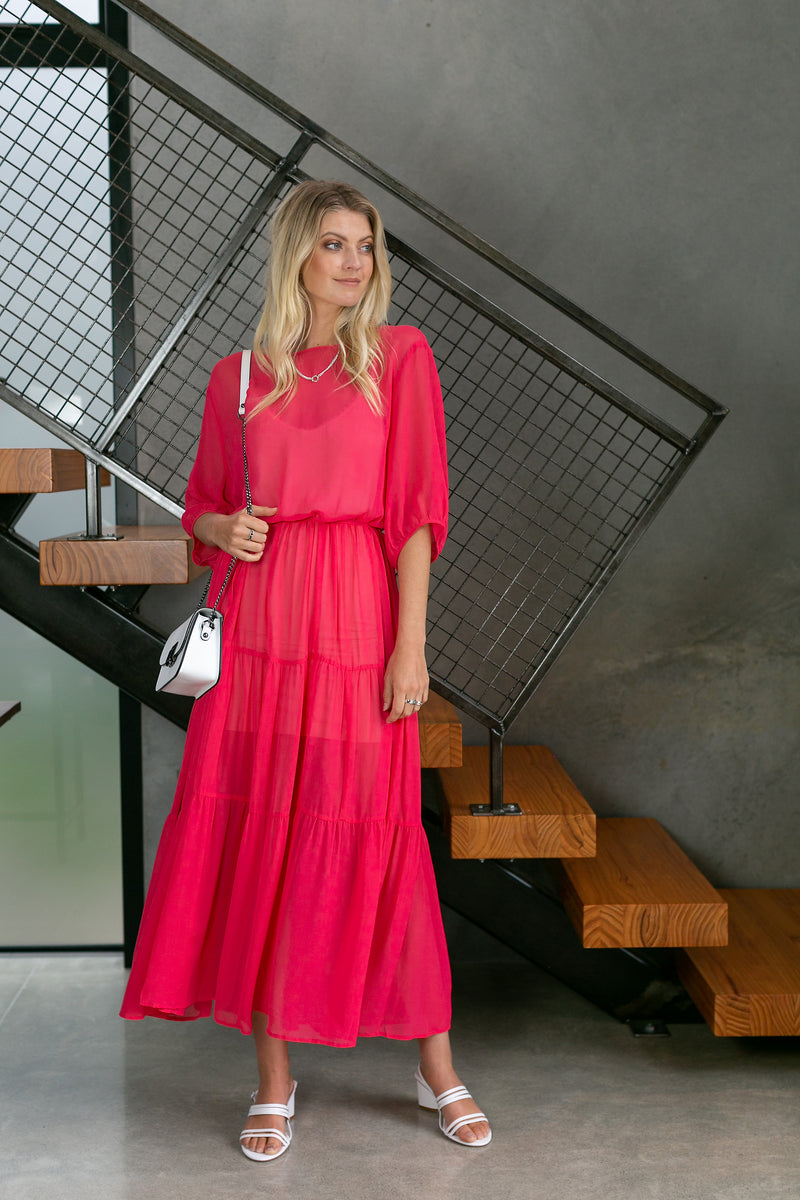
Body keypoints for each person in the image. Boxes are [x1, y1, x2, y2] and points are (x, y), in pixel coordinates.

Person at [120, 180, 491, 1159]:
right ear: (296, 255)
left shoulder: (399, 358)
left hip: (360, 617)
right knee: (265, 841)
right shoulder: (237, 378)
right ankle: (274, 1081)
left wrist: (411, 644)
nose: (354, 261)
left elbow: (415, 513)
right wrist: (220, 529)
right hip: (260, 625)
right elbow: (202, 506)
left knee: (378, 831)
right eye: (334, 243)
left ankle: (436, 1067)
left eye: (365, 245)